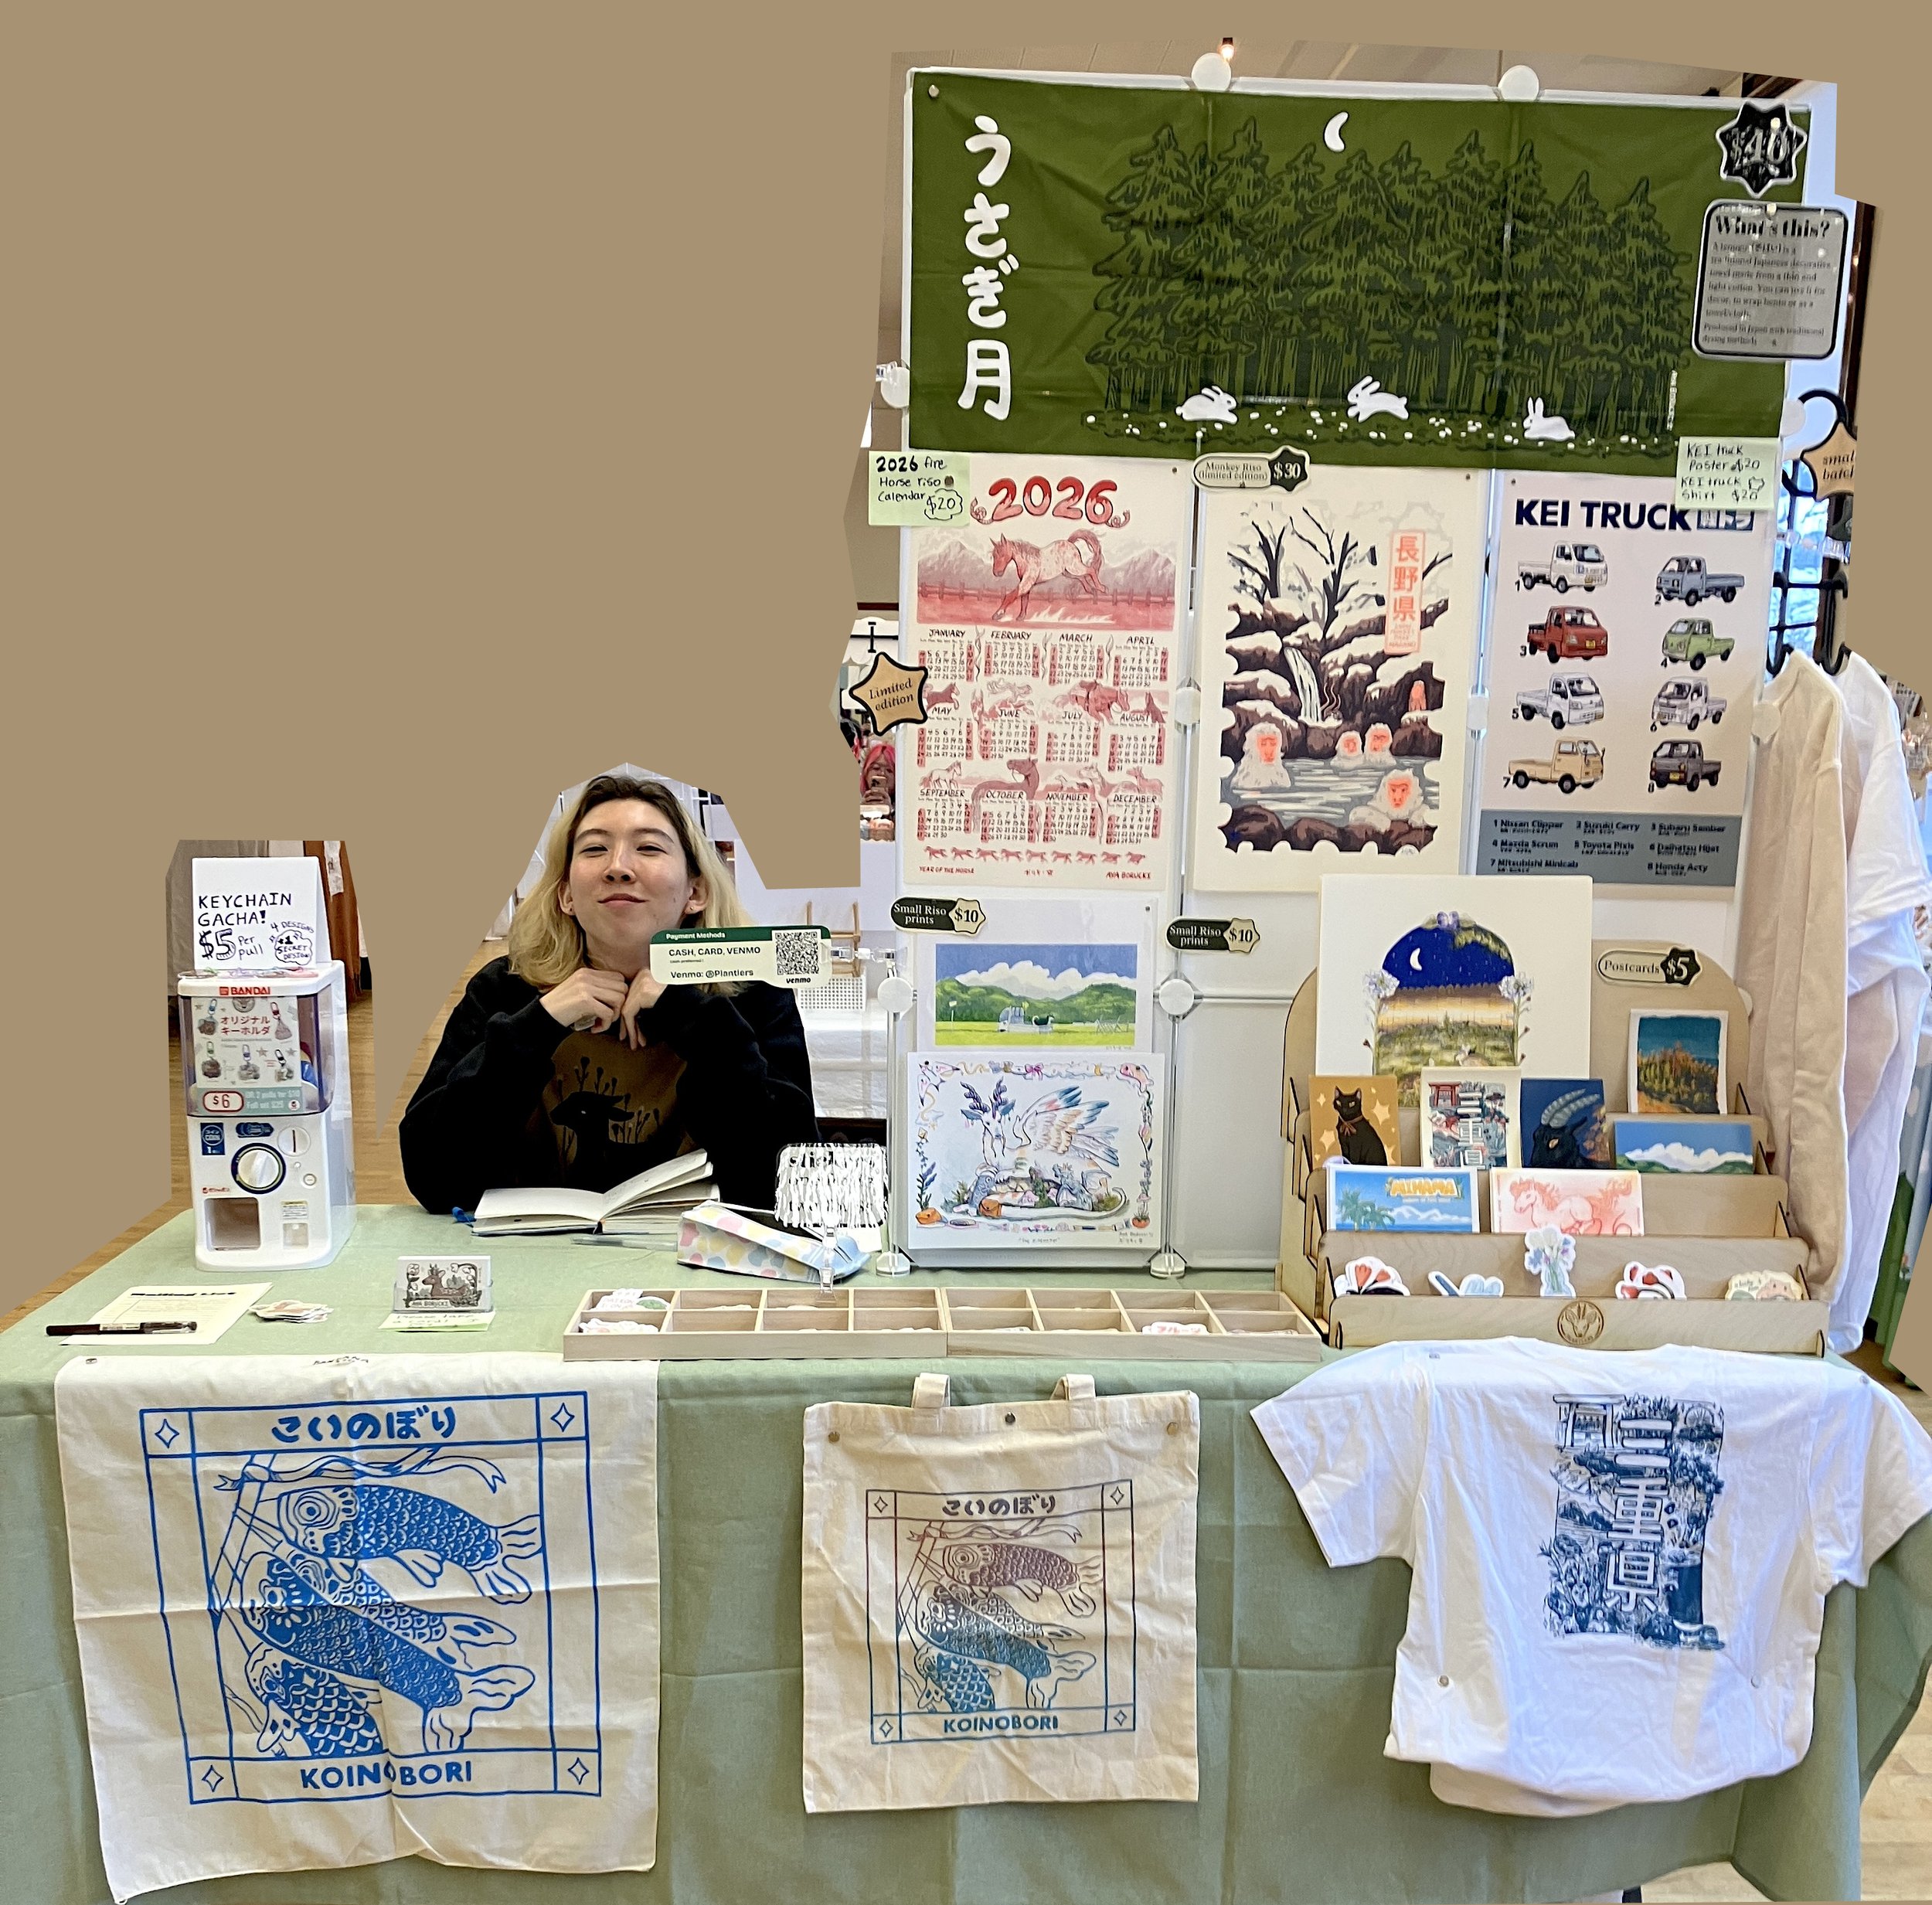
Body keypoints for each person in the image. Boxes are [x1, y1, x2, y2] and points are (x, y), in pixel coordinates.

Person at [401, 774, 818, 1212]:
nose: (618, 867)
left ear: (694, 892)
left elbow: (791, 1184)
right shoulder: (506, 989)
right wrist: (538, 1025)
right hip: (531, 1250)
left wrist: (692, 1017)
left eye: (649, 848)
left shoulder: (751, 994)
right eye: (595, 848)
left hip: (693, 1250)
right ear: (566, 895)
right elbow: (433, 1178)